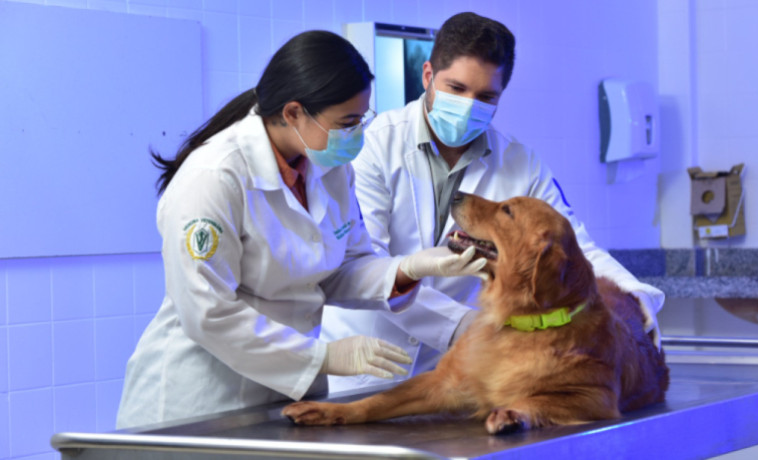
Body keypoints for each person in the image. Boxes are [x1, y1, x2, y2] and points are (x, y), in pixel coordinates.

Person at [115, 30, 487, 429]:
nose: (357, 134)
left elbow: (340, 267)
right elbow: (207, 312)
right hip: (199, 399)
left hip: (282, 395)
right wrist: (323, 357)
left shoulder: (327, 166)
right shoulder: (215, 176)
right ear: (293, 113)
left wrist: (408, 268)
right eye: (347, 122)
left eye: (361, 119)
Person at [321, 12, 665, 393]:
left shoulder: (521, 164)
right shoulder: (374, 147)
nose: (468, 106)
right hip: (365, 365)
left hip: (457, 376)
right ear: (428, 75)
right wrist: (464, 325)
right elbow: (367, 263)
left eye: (486, 97)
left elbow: (572, 248)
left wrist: (633, 295)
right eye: (456, 88)